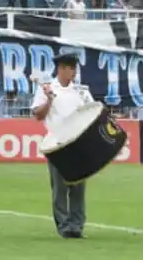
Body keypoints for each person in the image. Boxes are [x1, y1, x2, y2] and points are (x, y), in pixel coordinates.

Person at [32, 50, 94, 238]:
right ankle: (63, 225)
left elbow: (92, 112)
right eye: (69, 68)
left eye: (74, 68)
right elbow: (38, 115)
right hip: (57, 143)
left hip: (78, 143)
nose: (73, 72)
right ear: (60, 68)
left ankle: (77, 225)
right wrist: (49, 100)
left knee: (78, 187)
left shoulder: (81, 91)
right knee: (60, 187)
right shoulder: (46, 88)